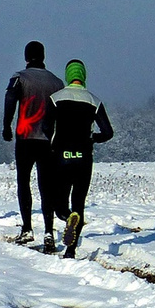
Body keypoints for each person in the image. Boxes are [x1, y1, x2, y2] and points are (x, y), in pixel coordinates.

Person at [44, 59, 113, 258]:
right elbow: (108, 132)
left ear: (67, 76)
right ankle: (70, 250)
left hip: (60, 157)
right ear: (83, 76)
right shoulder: (94, 101)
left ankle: (66, 217)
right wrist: (93, 138)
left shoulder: (55, 99)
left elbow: (46, 127)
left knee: (59, 202)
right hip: (84, 158)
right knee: (79, 202)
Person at [2, 40, 65, 245]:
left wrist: (6, 126)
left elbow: (10, 100)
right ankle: (49, 231)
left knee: (24, 182)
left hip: (25, 137)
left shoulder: (19, 78)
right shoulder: (57, 83)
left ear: (26, 57)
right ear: (44, 56)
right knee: (46, 185)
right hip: (48, 140)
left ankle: (27, 228)